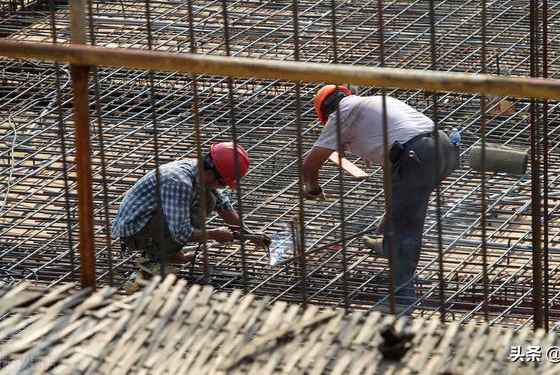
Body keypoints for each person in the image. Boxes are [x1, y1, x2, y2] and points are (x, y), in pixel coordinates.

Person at [302, 85, 459, 313]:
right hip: (445, 149)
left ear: (325, 113)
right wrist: (391, 210)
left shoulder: (341, 114)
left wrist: (313, 190)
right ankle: (387, 244)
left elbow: (310, 164)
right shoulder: (375, 103)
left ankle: (402, 301)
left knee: (406, 231)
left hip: (416, 157)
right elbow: (392, 166)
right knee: (399, 208)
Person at [112, 142, 270, 280]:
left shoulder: (199, 171)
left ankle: (168, 252)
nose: (224, 188)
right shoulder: (178, 182)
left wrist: (251, 235)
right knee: (193, 214)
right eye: (223, 184)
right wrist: (214, 234)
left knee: (210, 199)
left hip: (150, 221)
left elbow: (223, 206)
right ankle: (152, 259)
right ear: (210, 174)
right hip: (135, 232)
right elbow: (181, 233)